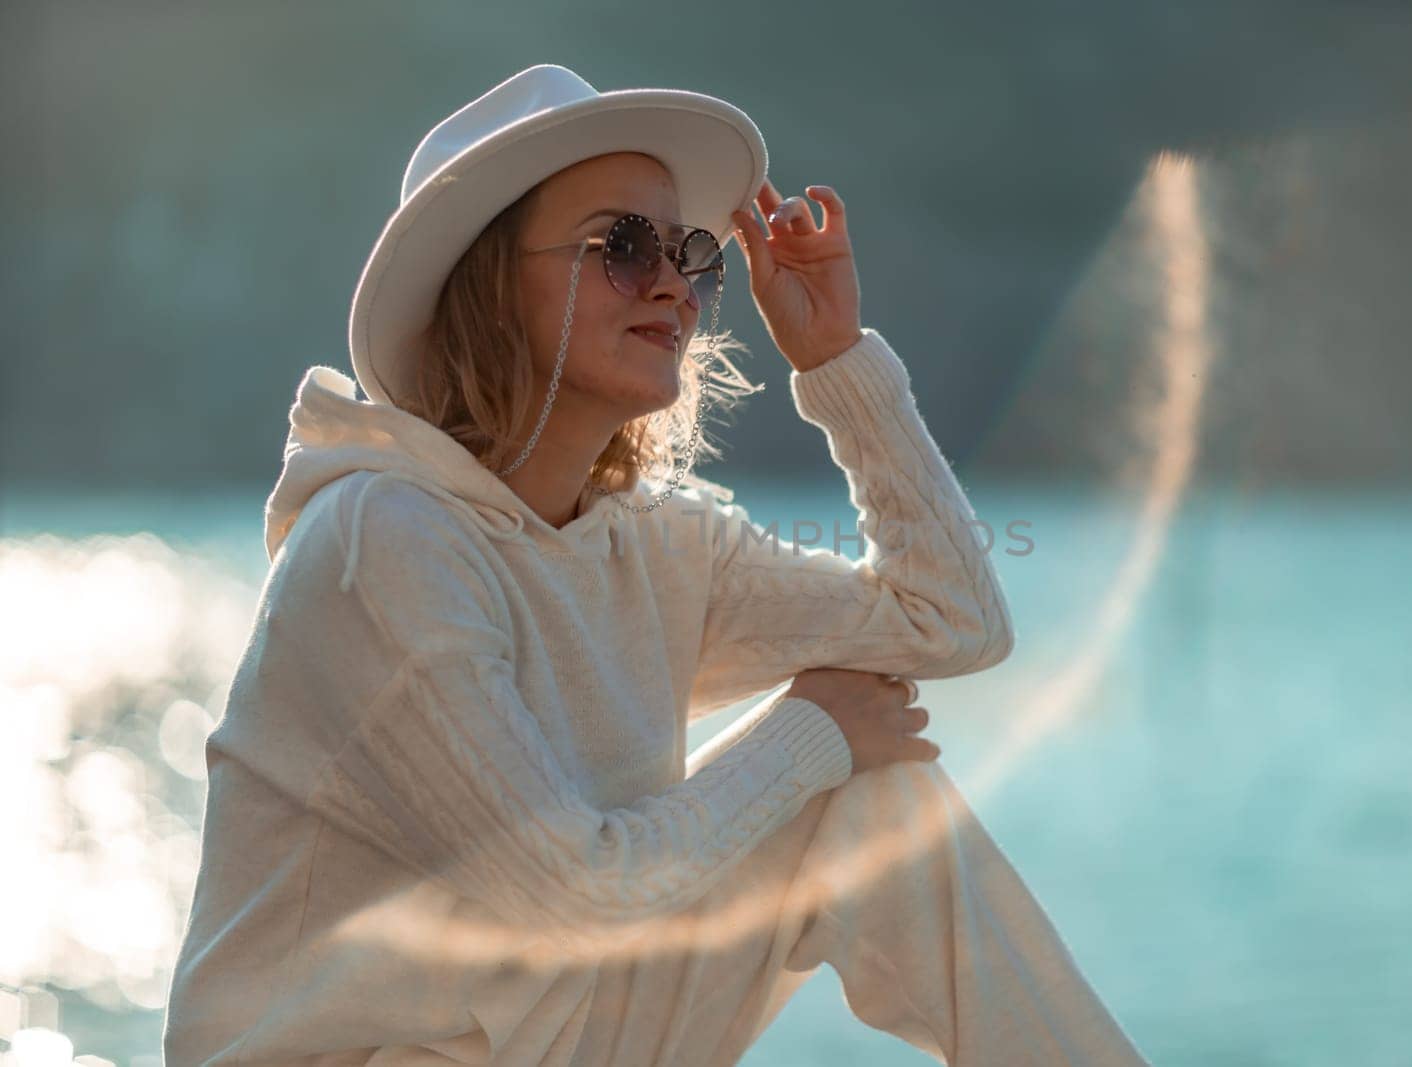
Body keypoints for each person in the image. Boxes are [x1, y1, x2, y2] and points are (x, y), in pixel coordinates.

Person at [162, 64, 1149, 1066]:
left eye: (691, 253)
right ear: (490, 282)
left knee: (877, 805)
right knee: (834, 772)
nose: (677, 283)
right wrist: (812, 731)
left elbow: (954, 620)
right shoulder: (381, 538)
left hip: (544, 1033)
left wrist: (838, 361)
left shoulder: (661, 542)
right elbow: (570, 890)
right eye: (623, 247)